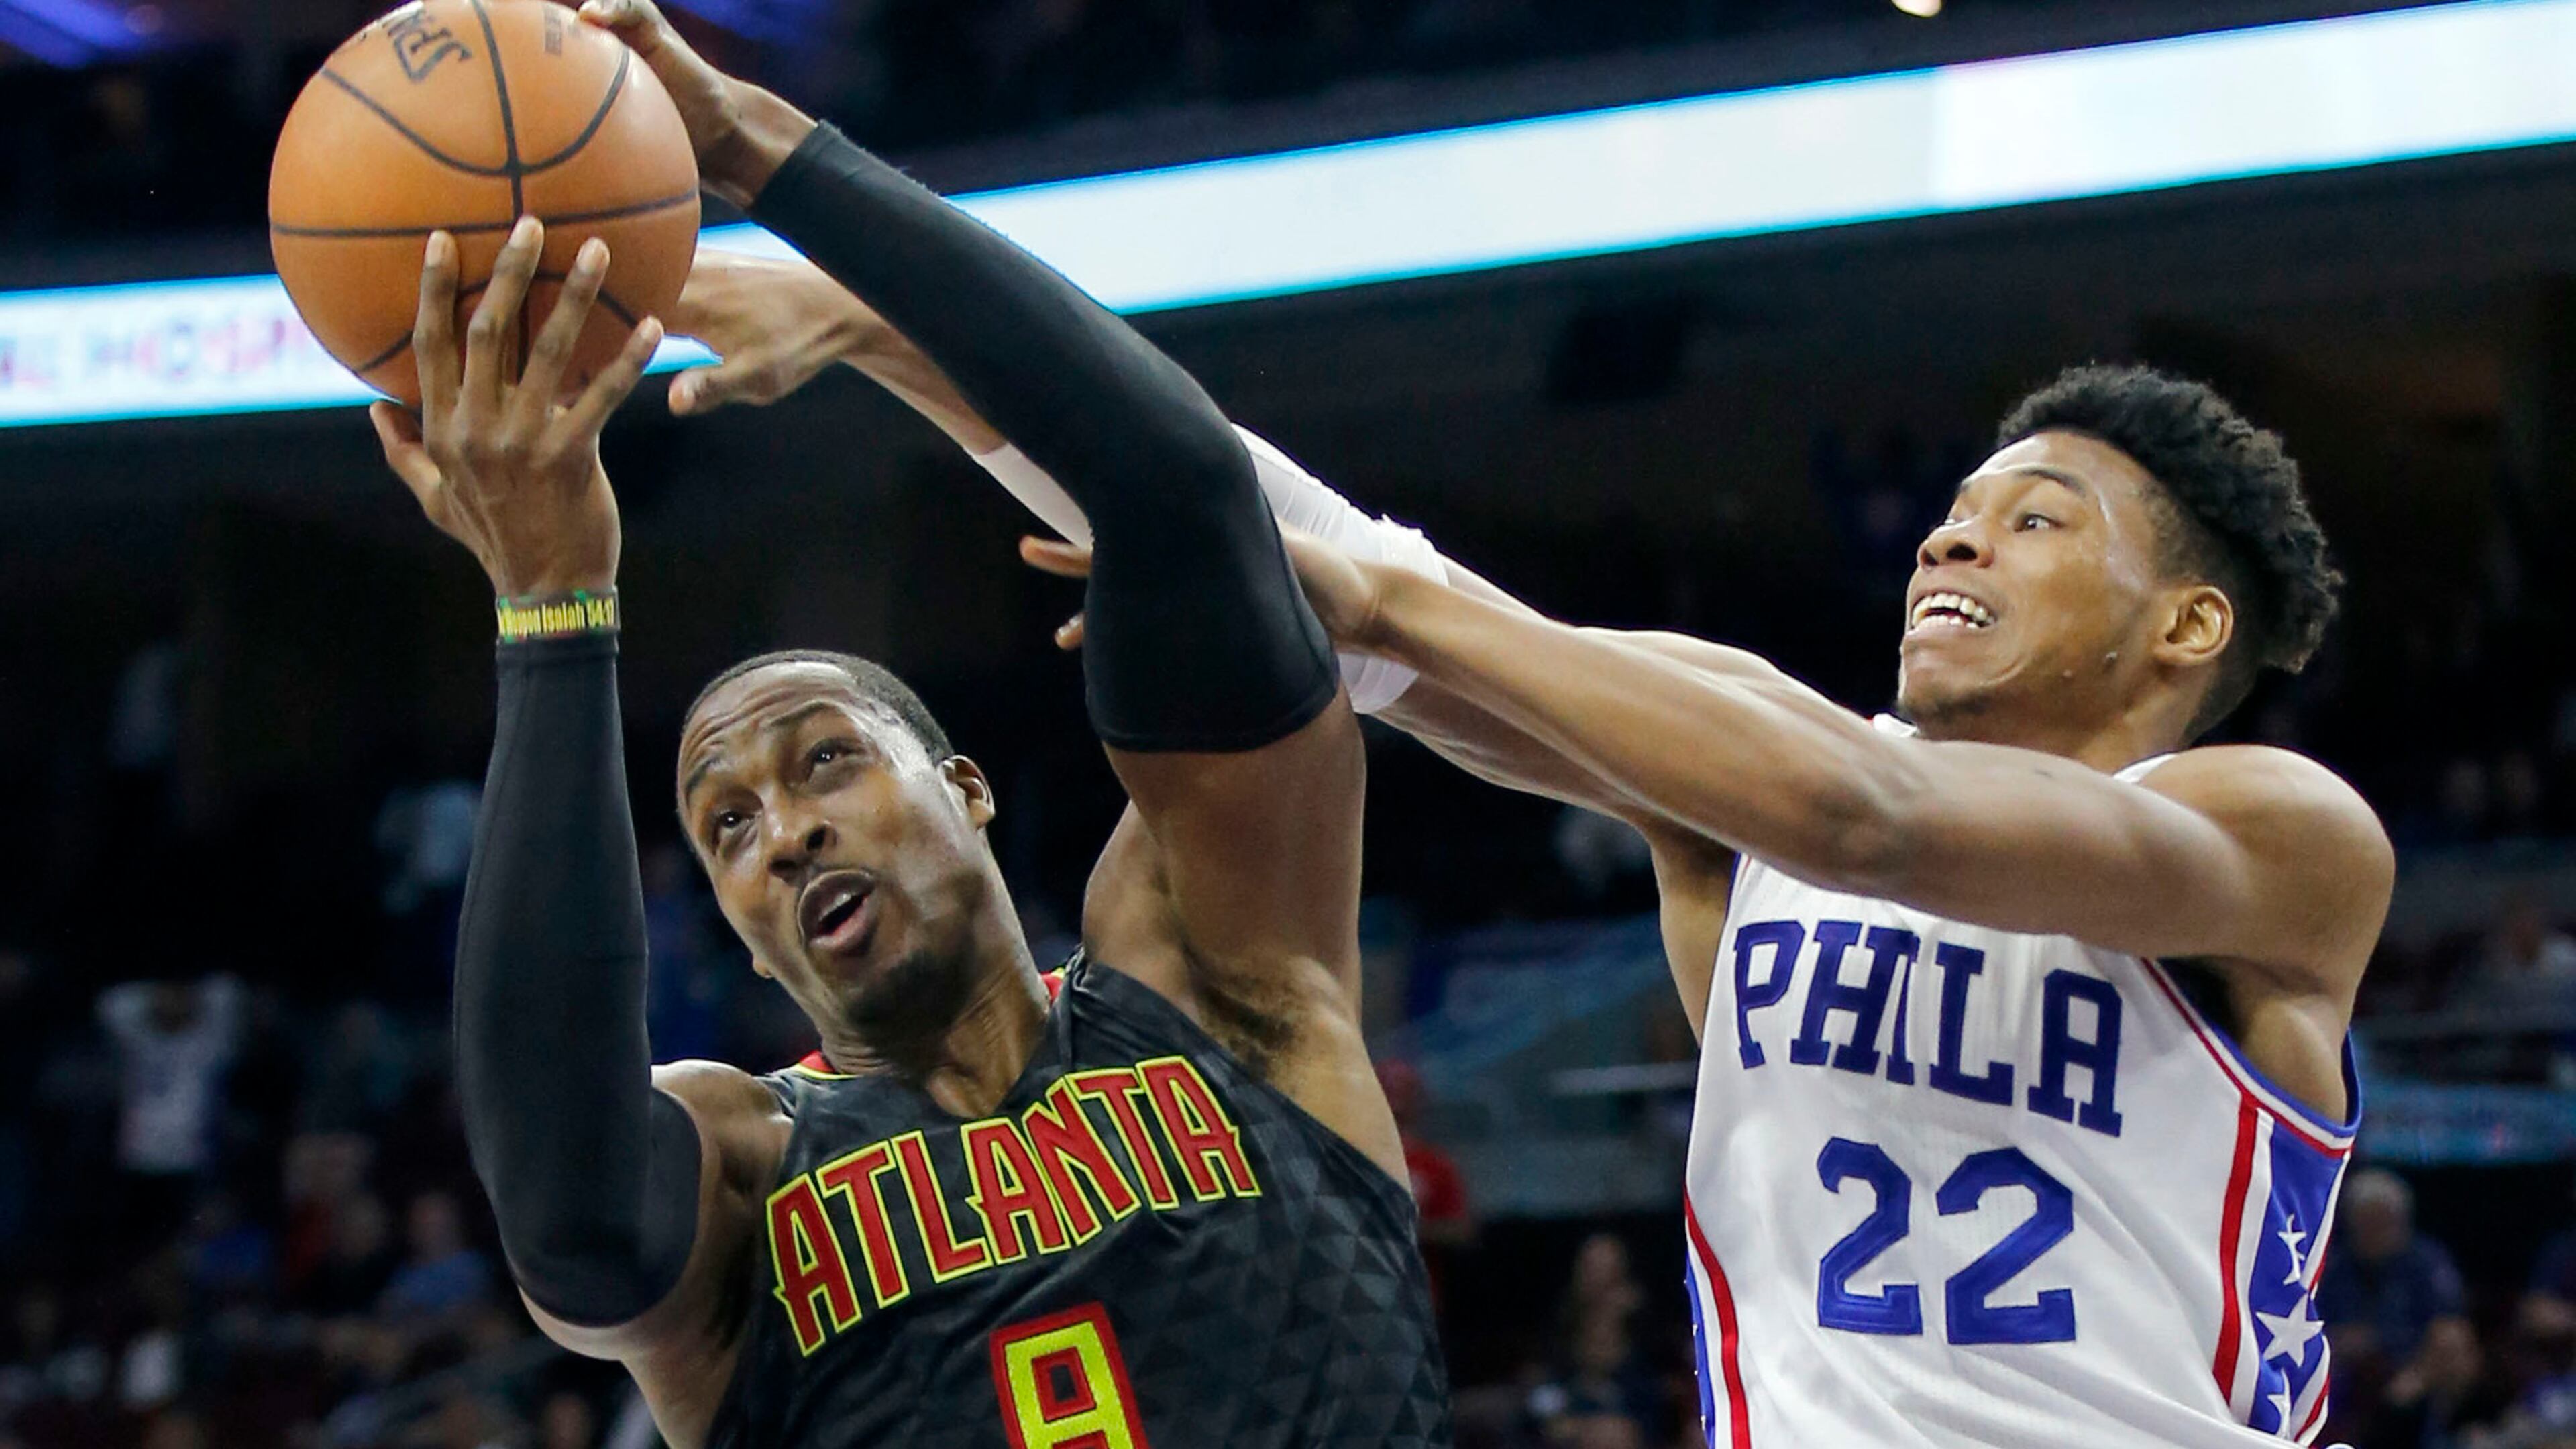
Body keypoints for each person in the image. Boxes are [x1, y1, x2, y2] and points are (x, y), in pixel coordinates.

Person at [667, 250, 2388, 1442]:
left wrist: (1392, 601)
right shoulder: (1744, 760)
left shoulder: (2268, 834)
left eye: (2036, 519)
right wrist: (885, 331)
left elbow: (1867, 823)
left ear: (2184, 630)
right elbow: (1311, 552)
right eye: (1963, 502)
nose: (1958, 532)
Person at [360, 7, 1448, 1445]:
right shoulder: (751, 1169)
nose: (787, 828)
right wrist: (551, 605)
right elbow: (563, 1216)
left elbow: (1179, 493)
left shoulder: (1211, 978)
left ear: (968, 788)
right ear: (742, 935)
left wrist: (764, 150)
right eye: (728, 827)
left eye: (826, 759)